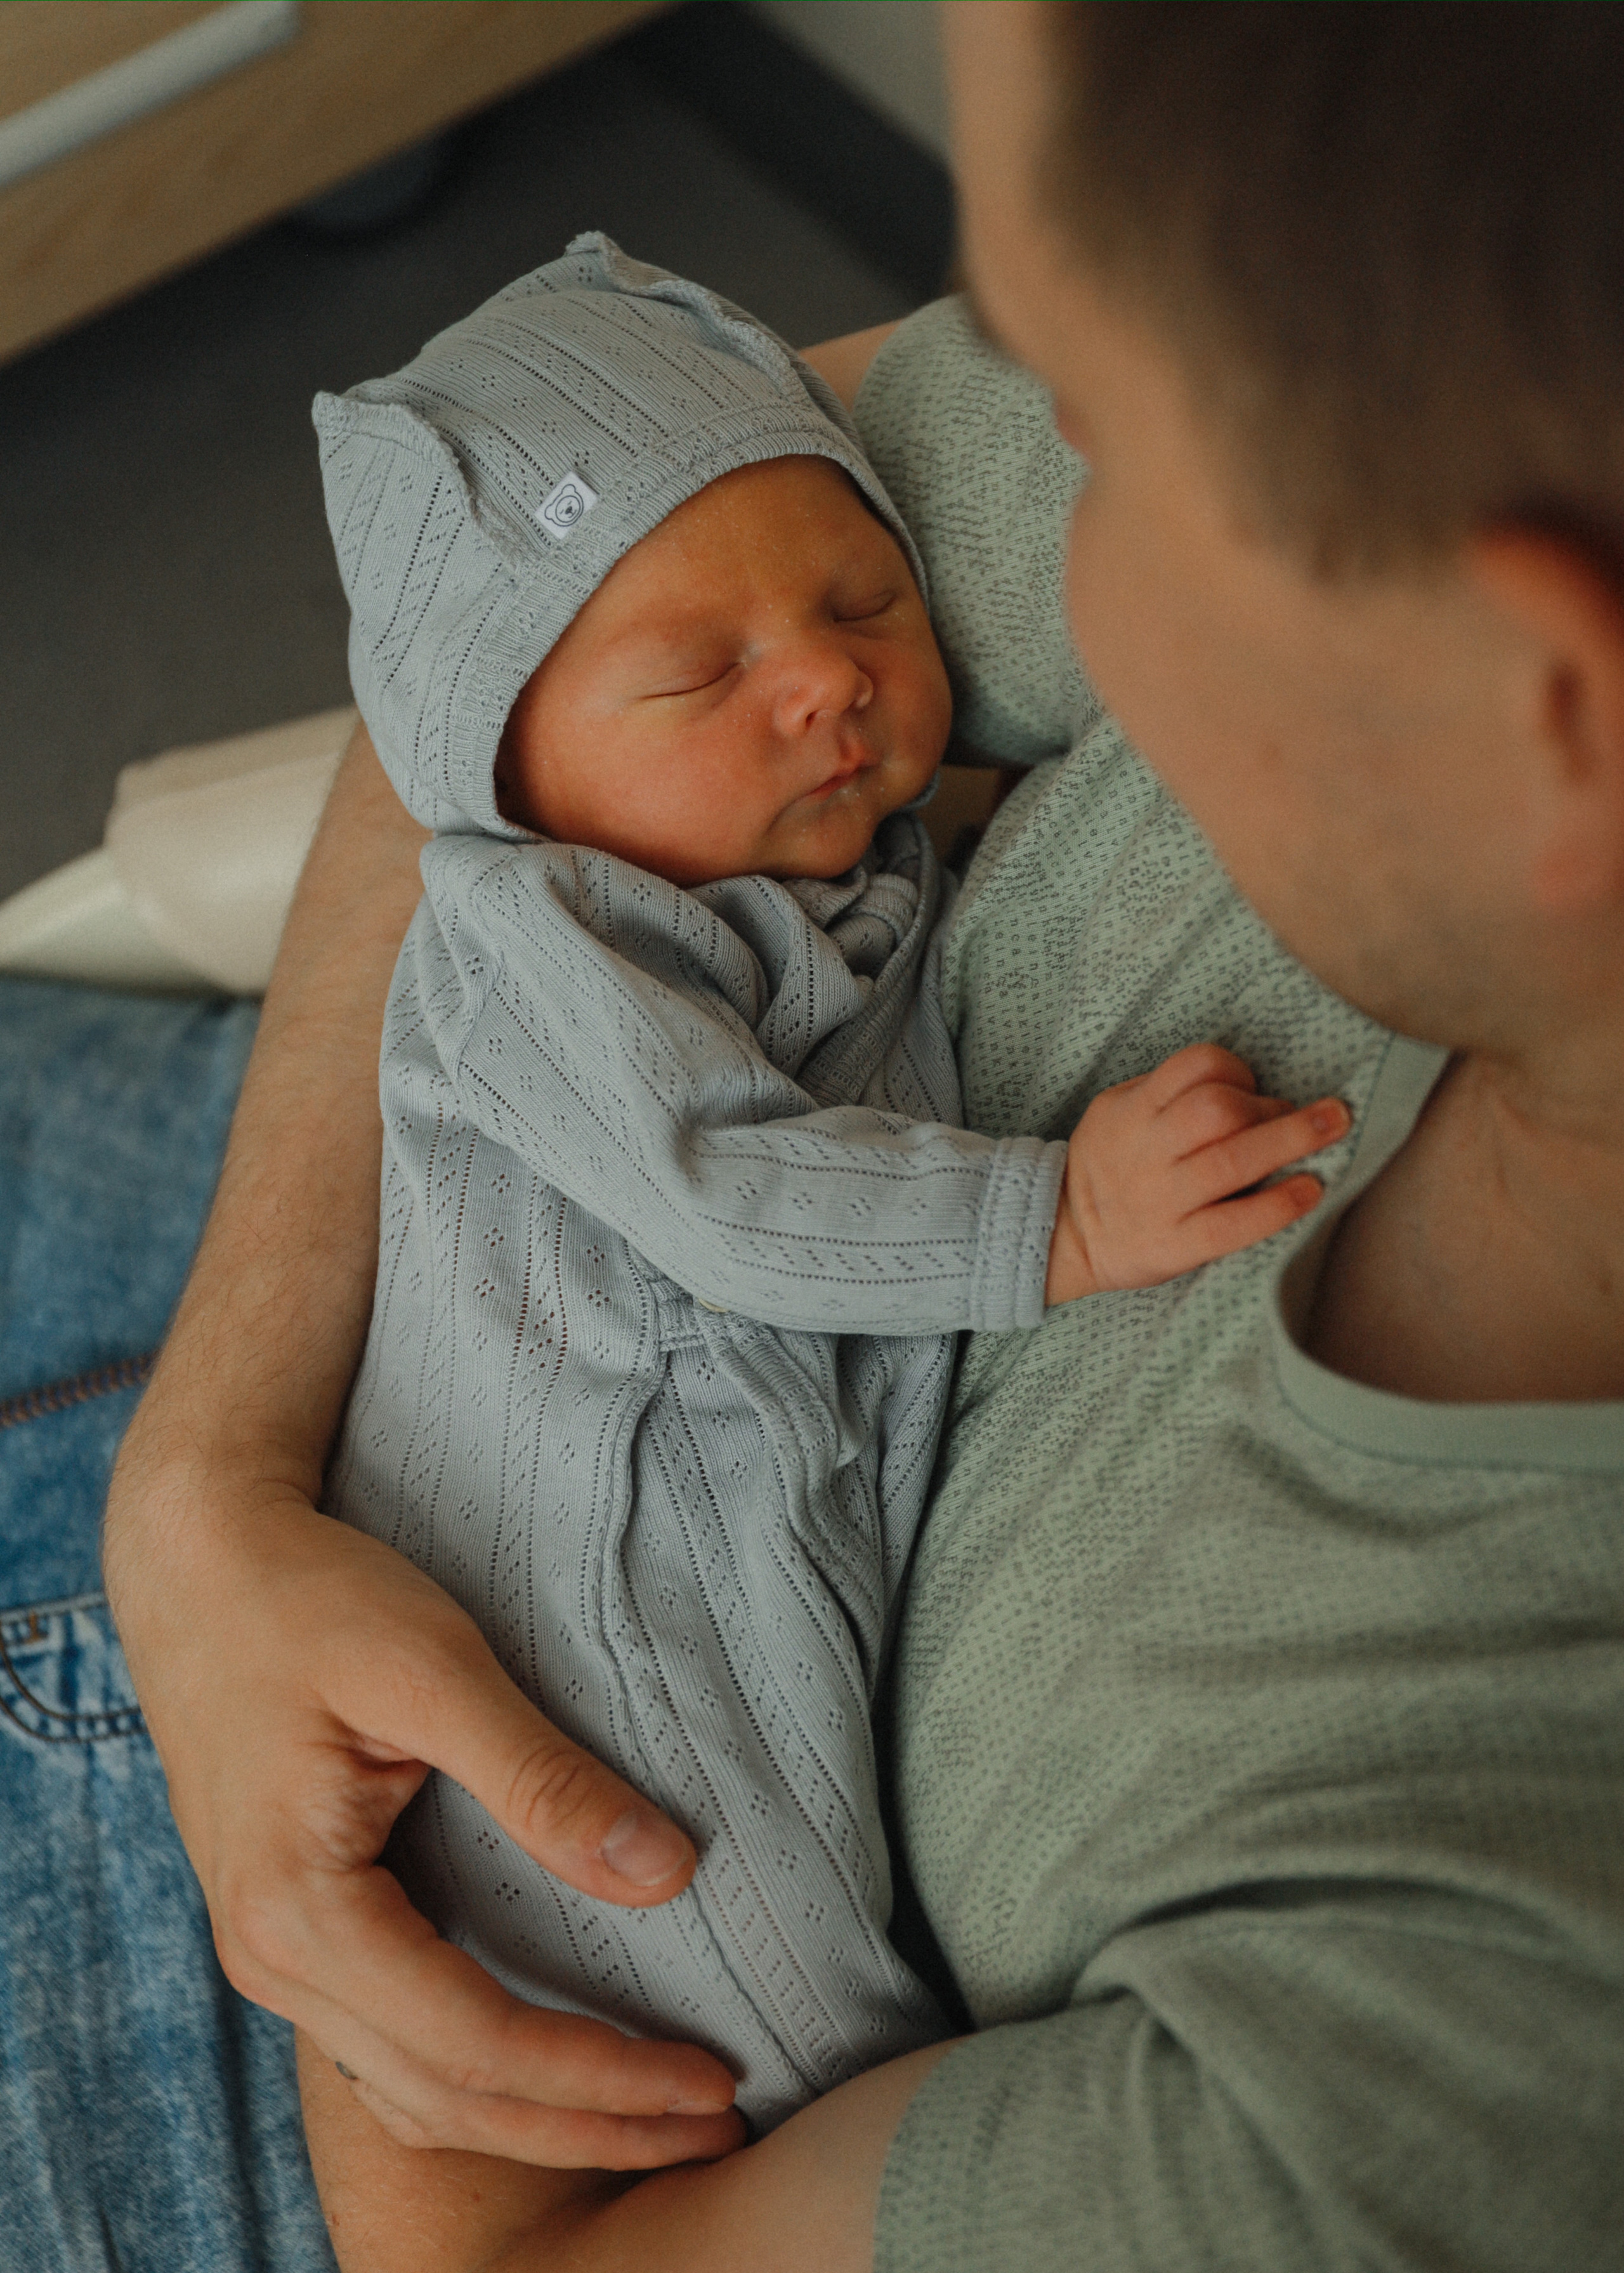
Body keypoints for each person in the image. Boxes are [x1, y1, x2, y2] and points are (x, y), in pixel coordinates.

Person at [30, 0, 1619, 2273]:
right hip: (366, 1256)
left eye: (1082, 429)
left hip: (436, 2064)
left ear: (1557, 703)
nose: (985, 519)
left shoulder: (1438, 2089)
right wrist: (218, 1468)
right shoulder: (1443, 406)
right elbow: (516, 614)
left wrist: (293, 1719)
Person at [313, 233, 1344, 2136]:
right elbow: (726, 1189)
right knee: (722, 1923)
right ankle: (837, 2163)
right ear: (495, 768)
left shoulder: (829, 873)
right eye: (700, 670)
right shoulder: (542, 929)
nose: (826, 686)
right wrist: (1065, 1220)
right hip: (599, 1561)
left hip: (782, 1471)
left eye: (867, 599)